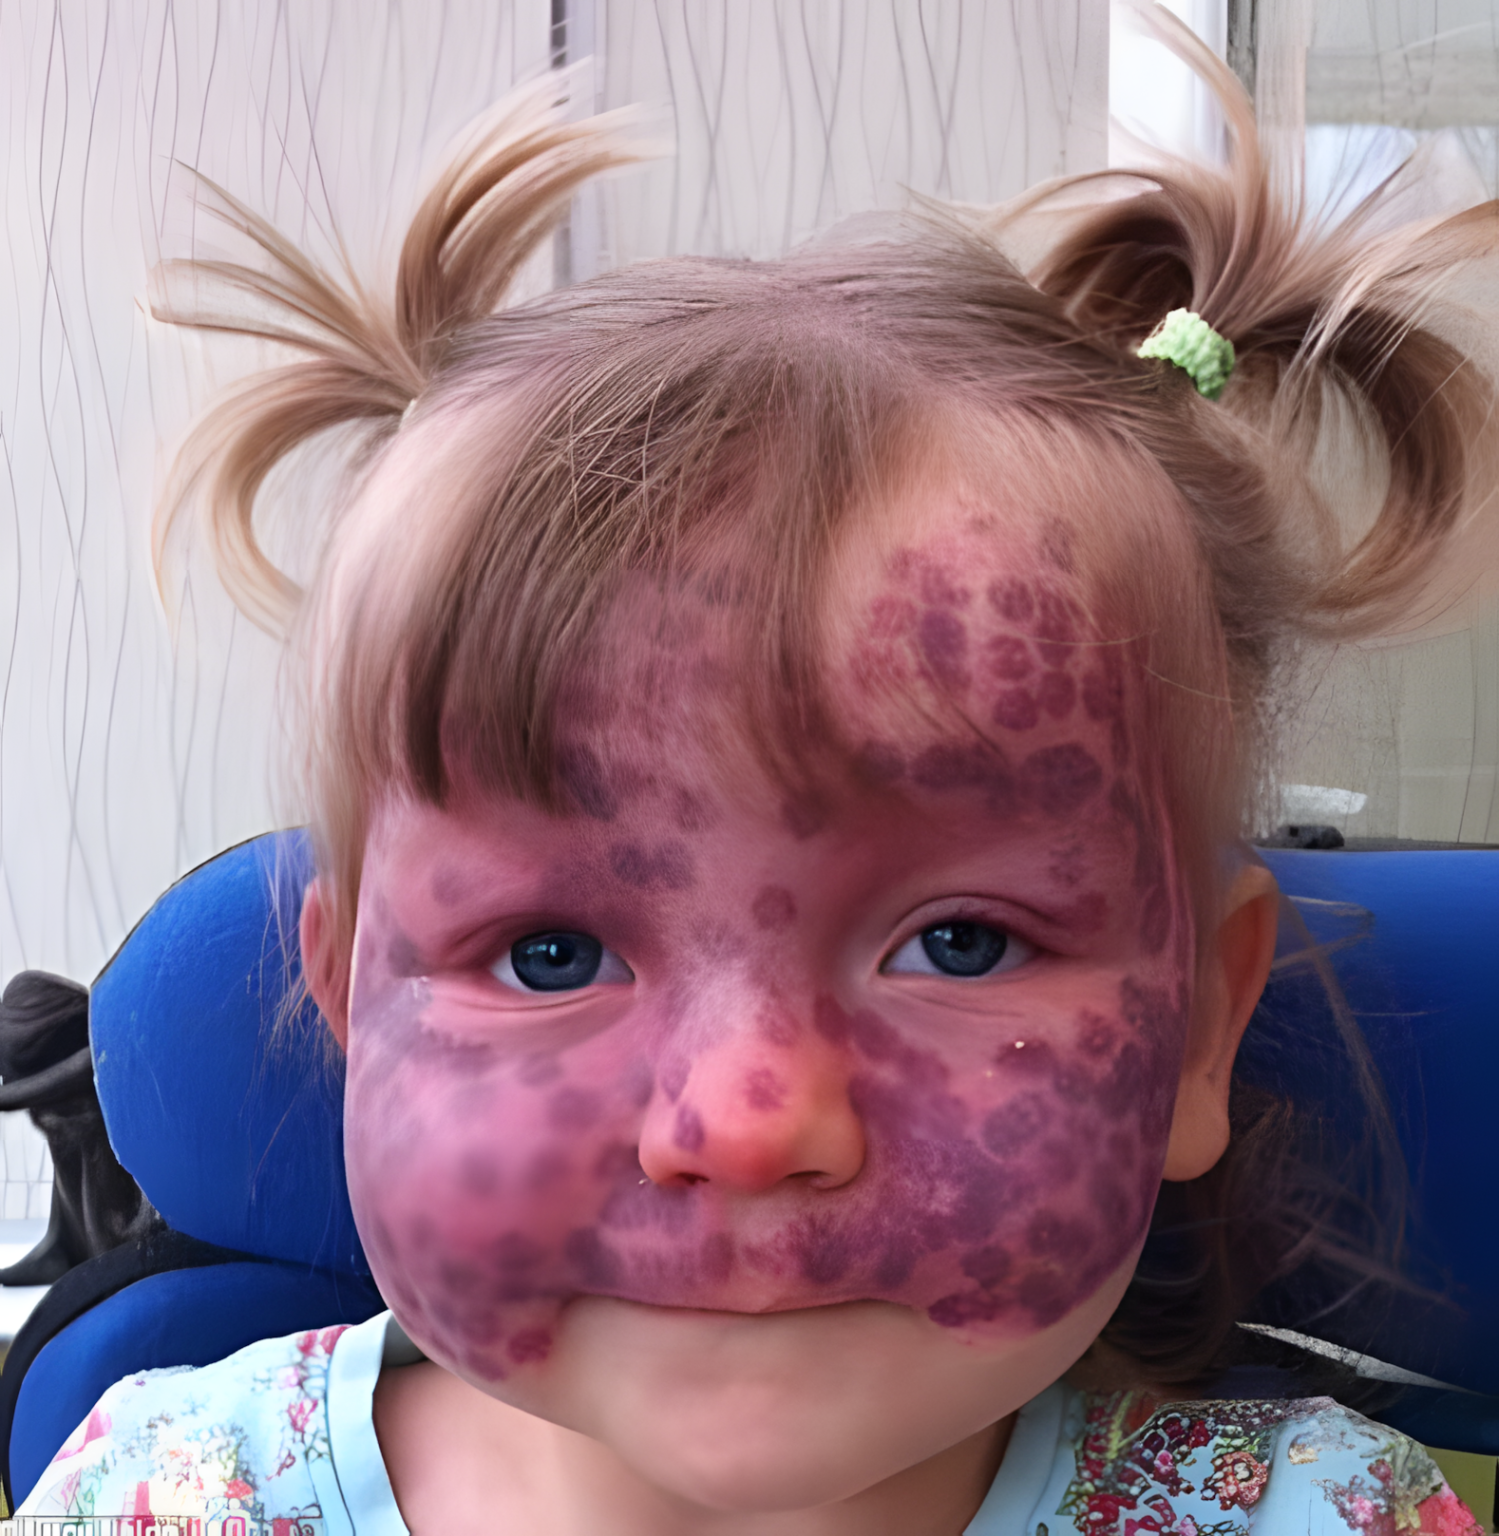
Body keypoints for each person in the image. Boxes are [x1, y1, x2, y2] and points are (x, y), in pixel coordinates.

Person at [20, 11, 1497, 1534]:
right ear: (352, 1011)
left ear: (1196, 1032)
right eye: (547, 954)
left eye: (961, 942)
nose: (745, 1121)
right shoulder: (159, 1503)